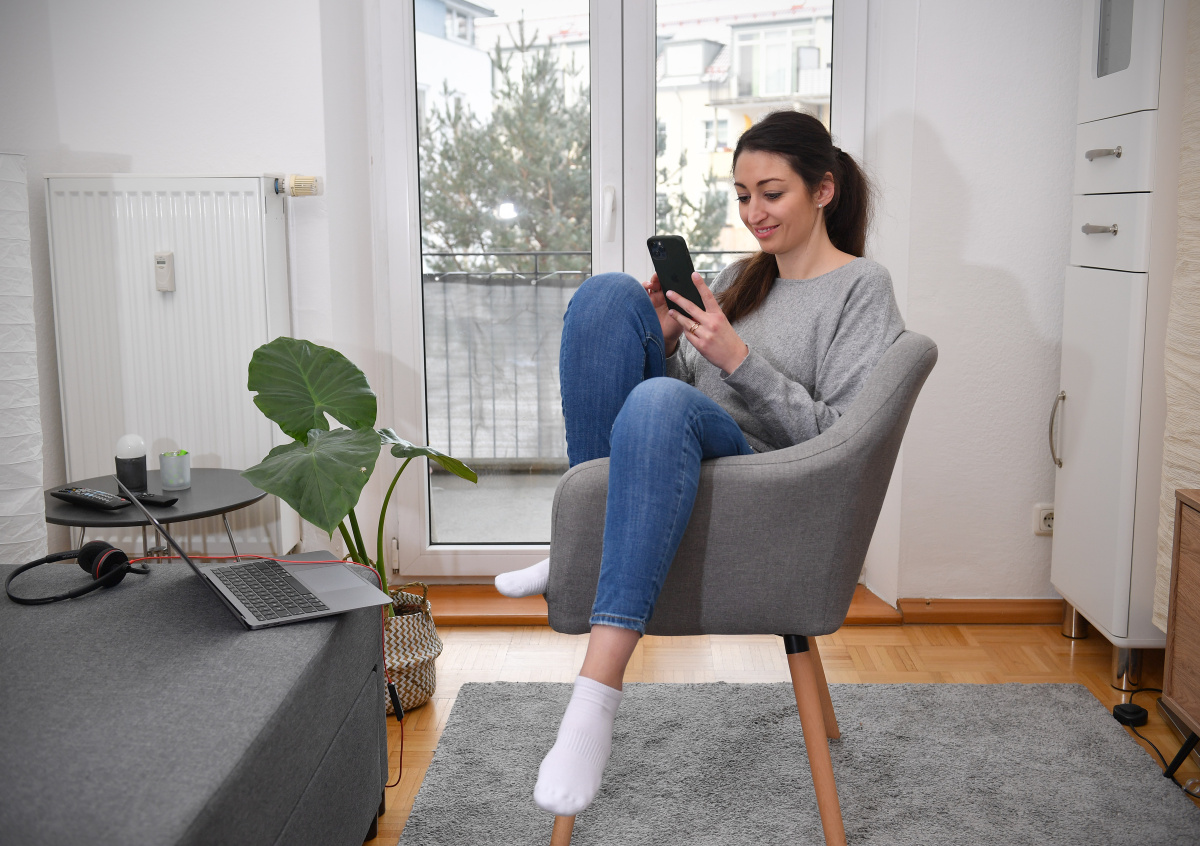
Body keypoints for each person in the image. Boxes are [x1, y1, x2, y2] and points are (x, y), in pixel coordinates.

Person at [495, 109, 905, 817]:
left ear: (823, 190)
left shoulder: (861, 288)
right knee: (606, 298)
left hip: (771, 487)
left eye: (771, 193)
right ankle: (585, 537)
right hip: (685, 459)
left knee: (660, 400)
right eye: (742, 195)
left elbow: (839, 438)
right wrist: (663, 344)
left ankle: (595, 693)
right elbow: (687, 395)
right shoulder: (744, 276)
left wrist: (737, 357)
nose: (753, 213)